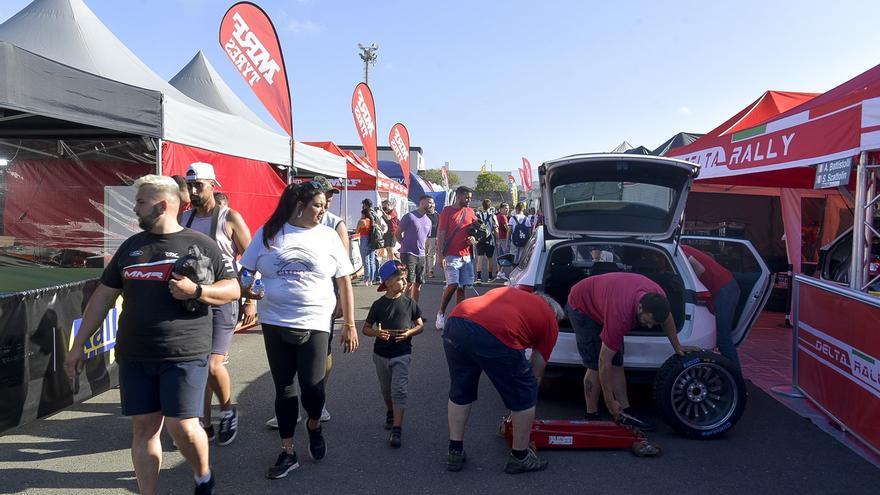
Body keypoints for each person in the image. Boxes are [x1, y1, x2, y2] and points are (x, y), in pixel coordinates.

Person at [64, 174, 240, 495]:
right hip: (135, 354)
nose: (135, 208)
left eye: (140, 202)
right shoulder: (131, 247)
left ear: (161, 205)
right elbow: (102, 297)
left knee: (183, 427)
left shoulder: (200, 244)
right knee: (144, 428)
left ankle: (203, 475)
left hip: (183, 354)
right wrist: (77, 347)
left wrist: (197, 290)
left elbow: (232, 288)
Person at [238, 182, 358, 480]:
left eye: (324, 205)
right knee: (284, 388)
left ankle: (314, 425)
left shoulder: (329, 236)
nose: (324, 209)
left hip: (316, 320)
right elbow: (244, 270)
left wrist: (350, 324)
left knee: (313, 389)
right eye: (318, 204)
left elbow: (344, 281)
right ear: (299, 205)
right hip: (275, 321)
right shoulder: (269, 232)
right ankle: (288, 450)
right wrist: (248, 291)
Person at [442, 287, 564, 474]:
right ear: (555, 313)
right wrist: (519, 405)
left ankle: (455, 452)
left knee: (461, 390)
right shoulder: (550, 320)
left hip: (457, 320)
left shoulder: (515, 295)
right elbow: (536, 371)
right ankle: (520, 457)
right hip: (496, 331)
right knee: (526, 390)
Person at [566, 273, 698, 429]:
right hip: (582, 305)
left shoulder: (659, 298)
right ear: (640, 307)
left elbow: (667, 318)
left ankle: (625, 412)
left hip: (607, 301)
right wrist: (609, 401)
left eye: (653, 323)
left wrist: (677, 346)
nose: (649, 326)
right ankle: (591, 416)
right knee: (595, 363)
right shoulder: (621, 315)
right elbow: (603, 361)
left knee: (617, 361)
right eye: (647, 321)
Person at [265, 177, 345, 430]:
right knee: (286, 379)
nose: (327, 202)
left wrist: (344, 306)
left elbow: (343, 271)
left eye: (329, 197)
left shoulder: (333, 225)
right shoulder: (279, 226)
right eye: (322, 197)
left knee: (318, 366)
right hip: (278, 315)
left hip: (321, 303)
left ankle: (317, 404)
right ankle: (289, 429)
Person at [183, 162, 254, 446]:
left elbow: (251, 261)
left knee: (213, 365)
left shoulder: (229, 217)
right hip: (195, 300)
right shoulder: (184, 220)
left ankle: (227, 411)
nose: (194, 191)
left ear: (214, 184)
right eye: (190, 185)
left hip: (224, 299)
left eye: (199, 185)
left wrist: (251, 301)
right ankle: (204, 422)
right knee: (197, 365)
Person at [362, 260, 424, 448]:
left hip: (402, 353)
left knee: (399, 390)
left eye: (405, 280)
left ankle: (397, 428)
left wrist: (409, 333)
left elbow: (420, 325)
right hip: (381, 354)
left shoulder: (409, 303)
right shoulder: (378, 305)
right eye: (400, 279)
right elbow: (365, 328)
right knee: (386, 390)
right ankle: (390, 411)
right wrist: (376, 333)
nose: (404, 283)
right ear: (387, 283)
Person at [682, 244, 742, 371]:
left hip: (723, 289)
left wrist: (687, 288)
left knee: (723, 338)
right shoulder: (680, 249)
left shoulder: (680, 251)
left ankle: (736, 378)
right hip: (724, 287)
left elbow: (699, 269)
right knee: (720, 336)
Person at [435, 186, 477, 330]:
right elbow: (441, 234)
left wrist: (474, 238)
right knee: (452, 284)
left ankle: (458, 316)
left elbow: (477, 230)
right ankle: (441, 313)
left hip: (466, 256)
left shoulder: (470, 211)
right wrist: (440, 255)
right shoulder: (447, 211)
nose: (469, 200)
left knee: (461, 287)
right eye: (467, 197)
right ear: (459, 196)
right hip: (451, 256)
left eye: (470, 198)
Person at [395, 195, 435, 302]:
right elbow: (397, 233)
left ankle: (414, 311)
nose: (432, 205)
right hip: (408, 254)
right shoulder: (410, 217)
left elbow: (425, 238)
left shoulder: (429, 221)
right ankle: (405, 310)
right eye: (430, 202)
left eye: (433, 203)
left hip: (421, 255)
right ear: (422, 203)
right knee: (408, 283)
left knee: (418, 284)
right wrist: (403, 244)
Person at [474, 199, 499, 283]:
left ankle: (478, 277)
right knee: (490, 258)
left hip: (480, 239)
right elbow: (496, 229)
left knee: (480, 258)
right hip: (490, 239)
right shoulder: (493, 216)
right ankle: (490, 277)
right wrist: (497, 240)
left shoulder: (478, 215)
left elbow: (475, 227)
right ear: (490, 206)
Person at [356, 207, 379, 286]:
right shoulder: (372, 221)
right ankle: (371, 279)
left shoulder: (362, 221)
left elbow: (356, 231)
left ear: (363, 214)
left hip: (364, 239)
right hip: (372, 240)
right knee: (372, 260)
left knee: (365, 261)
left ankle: (366, 279)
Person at [495, 203, 510, 281]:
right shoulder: (503, 217)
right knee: (506, 256)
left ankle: (499, 273)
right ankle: (501, 272)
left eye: (508, 208)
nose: (507, 210)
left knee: (500, 256)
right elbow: (507, 229)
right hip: (504, 239)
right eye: (505, 208)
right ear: (501, 209)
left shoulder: (497, 216)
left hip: (499, 239)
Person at [426, 206, 440, 278]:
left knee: (431, 255)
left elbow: (439, 227)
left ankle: (431, 271)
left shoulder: (437, 216)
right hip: (424, 237)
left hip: (433, 237)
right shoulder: (424, 215)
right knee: (422, 255)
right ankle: (424, 270)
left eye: (430, 207)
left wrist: (438, 237)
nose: (429, 208)